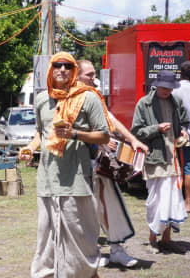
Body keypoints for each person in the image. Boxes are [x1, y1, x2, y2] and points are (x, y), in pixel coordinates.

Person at [19, 52, 112, 278]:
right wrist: (30, 148)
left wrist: (75, 134)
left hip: (77, 178)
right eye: (57, 65)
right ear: (50, 70)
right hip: (47, 179)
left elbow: (104, 136)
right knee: (46, 238)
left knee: (81, 236)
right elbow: (40, 134)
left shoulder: (88, 97)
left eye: (68, 66)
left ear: (74, 72)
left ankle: (85, 274)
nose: (62, 70)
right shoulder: (42, 99)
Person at [77, 59, 148, 268]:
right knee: (86, 211)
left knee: (112, 205)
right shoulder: (69, 99)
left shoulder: (93, 97)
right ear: (77, 76)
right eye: (88, 75)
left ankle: (117, 250)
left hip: (100, 163)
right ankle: (89, 254)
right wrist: (99, 140)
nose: (93, 78)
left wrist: (133, 140)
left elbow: (111, 120)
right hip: (80, 165)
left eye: (92, 74)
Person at [131, 70, 189, 254]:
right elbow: (136, 131)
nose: (167, 91)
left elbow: (183, 122)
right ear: (157, 85)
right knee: (156, 199)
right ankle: (152, 238)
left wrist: (183, 132)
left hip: (172, 157)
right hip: (155, 157)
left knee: (172, 198)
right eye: (164, 87)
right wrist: (156, 128)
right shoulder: (144, 103)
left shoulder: (176, 101)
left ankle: (167, 239)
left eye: (170, 88)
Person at [172, 61, 190, 213]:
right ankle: (188, 204)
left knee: (173, 167)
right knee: (189, 168)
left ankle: (174, 201)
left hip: (173, 134)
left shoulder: (173, 90)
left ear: (180, 72)